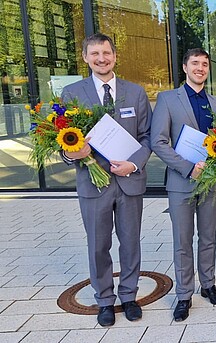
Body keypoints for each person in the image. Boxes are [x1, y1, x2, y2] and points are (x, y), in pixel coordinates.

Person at [61, 33, 152, 327]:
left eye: (107, 53)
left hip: (129, 181)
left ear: (115, 56)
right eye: (95, 53)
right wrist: (75, 153)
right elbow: (62, 142)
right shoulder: (72, 94)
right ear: (85, 57)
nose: (102, 58)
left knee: (130, 243)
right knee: (98, 245)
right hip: (92, 183)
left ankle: (128, 296)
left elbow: (147, 138)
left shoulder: (135, 93)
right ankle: (104, 300)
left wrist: (134, 163)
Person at [151, 48, 216, 322]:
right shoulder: (168, 99)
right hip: (181, 182)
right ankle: (184, 294)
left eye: (205, 64)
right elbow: (157, 141)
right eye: (195, 63)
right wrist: (187, 167)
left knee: (209, 238)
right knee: (182, 241)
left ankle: (208, 285)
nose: (200, 68)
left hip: (211, 182)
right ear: (185, 67)